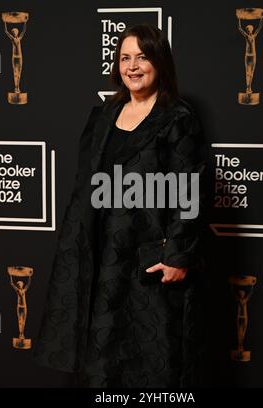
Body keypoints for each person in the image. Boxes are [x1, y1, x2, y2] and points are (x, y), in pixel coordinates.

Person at [34, 23, 206, 388]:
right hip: (104, 259)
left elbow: (191, 190)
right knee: (103, 363)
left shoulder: (178, 118)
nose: (133, 66)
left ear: (159, 62)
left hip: (149, 260)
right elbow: (85, 187)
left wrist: (178, 254)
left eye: (142, 57)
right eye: (125, 58)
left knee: (152, 365)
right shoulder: (104, 115)